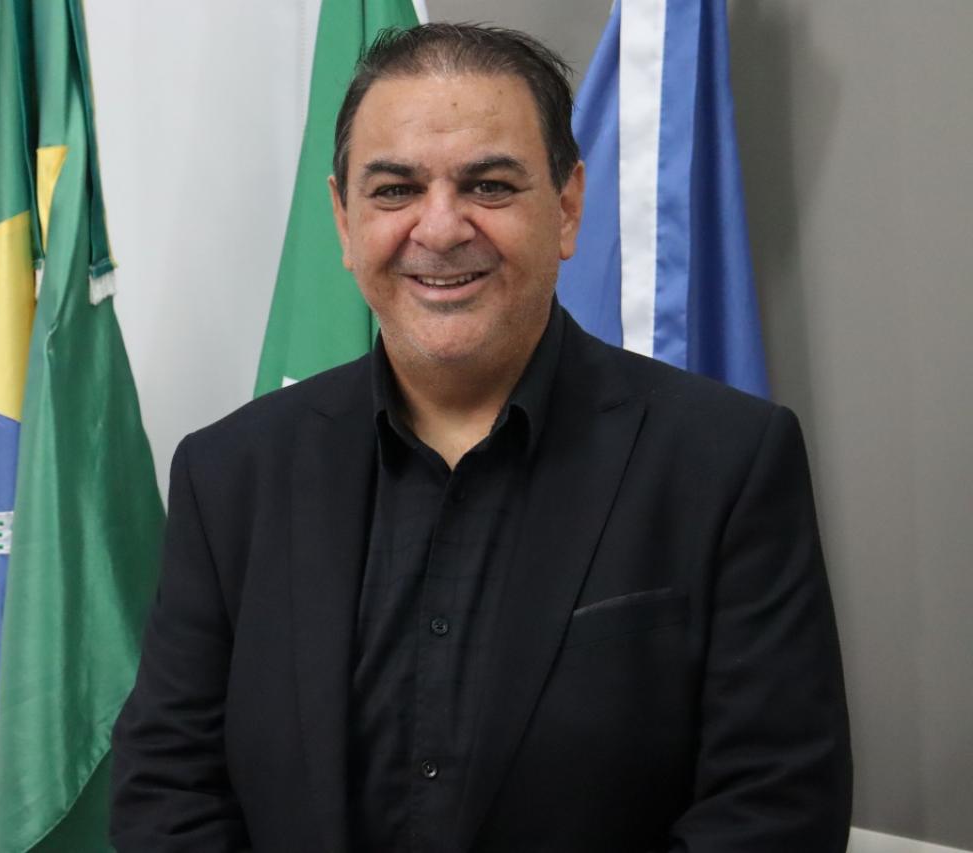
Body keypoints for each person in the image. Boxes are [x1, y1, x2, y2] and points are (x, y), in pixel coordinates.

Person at [111, 23, 852, 853]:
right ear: (344, 220)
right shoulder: (229, 474)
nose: (439, 228)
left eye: (490, 186)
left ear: (567, 207)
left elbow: (774, 810)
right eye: (394, 189)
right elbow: (167, 787)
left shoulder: (727, 462)